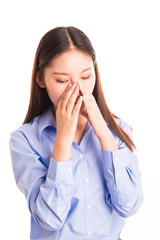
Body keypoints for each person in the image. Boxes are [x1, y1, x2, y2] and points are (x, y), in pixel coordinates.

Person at [9, 26, 143, 240]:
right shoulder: (25, 139)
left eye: (86, 76)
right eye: (62, 81)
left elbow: (128, 205)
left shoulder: (119, 131)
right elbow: (49, 219)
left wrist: (103, 132)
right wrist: (63, 137)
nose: (78, 89)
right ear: (41, 80)